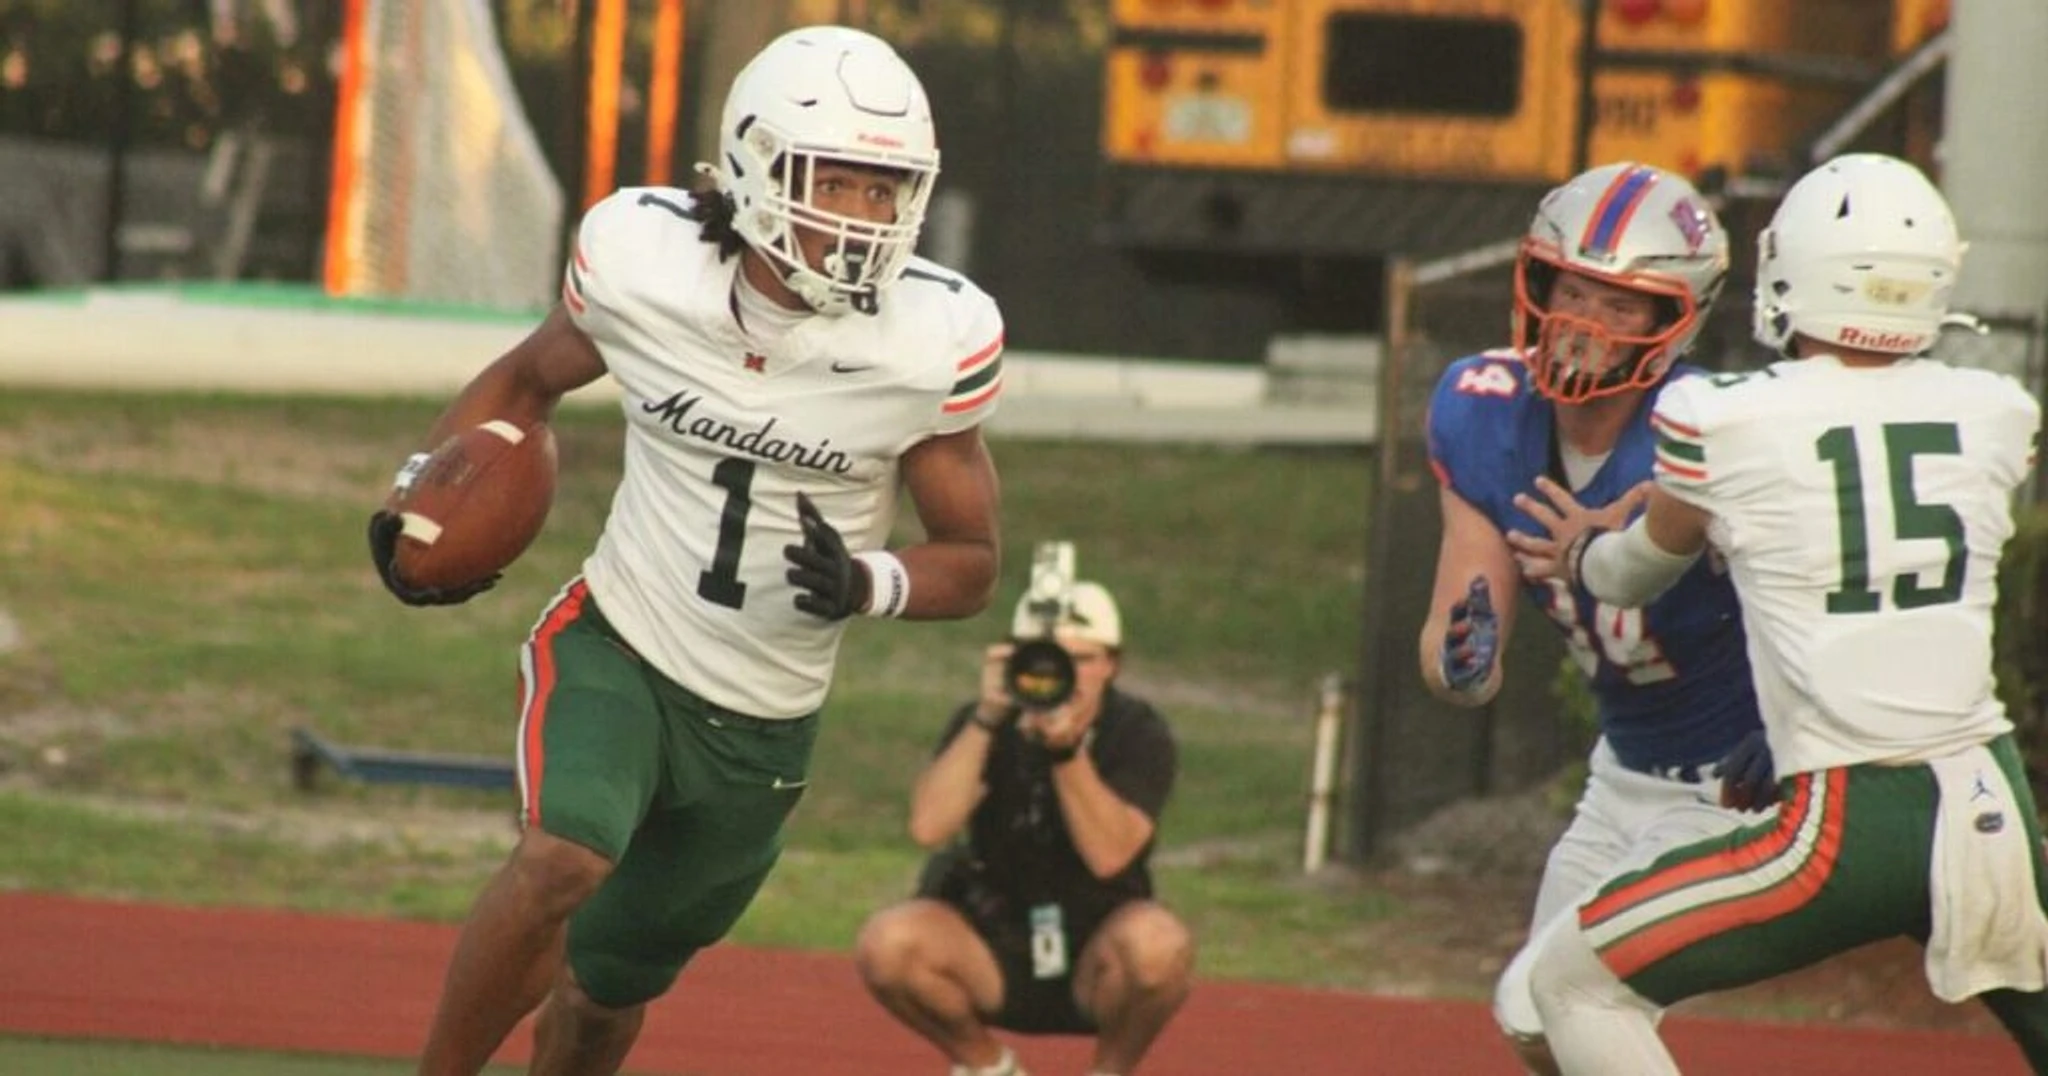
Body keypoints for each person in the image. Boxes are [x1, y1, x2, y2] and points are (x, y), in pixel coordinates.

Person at [366, 26, 1007, 1076]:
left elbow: (972, 558)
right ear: (756, 165)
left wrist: (866, 580)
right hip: (620, 640)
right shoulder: (648, 270)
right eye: (835, 182)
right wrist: (417, 500)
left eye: (883, 189)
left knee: (603, 999)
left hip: (762, 727)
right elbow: (526, 380)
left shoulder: (925, 344)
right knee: (560, 860)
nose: (861, 215)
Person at [1511, 153, 2048, 1074]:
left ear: (1785, 271)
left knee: (1568, 985)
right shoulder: (1998, 409)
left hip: (1843, 819)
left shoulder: (1723, 417)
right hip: (1988, 802)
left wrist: (1583, 554)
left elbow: (1634, 575)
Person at [1416, 161, 1777, 1074]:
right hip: (1623, 776)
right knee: (1533, 1018)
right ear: (1536, 283)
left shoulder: (1712, 429)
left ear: (1674, 320)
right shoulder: (1481, 409)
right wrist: (1462, 663)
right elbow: (1460, 624)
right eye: (1573, 291)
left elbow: (1815, 590)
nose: (1584, 322)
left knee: (1572, 995)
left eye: (1620, 305)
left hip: (1739, 784)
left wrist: (1797, 728)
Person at [854, 579, 1193, 1076]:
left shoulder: (1137, 731)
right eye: (1047, 660)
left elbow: (1110, 855)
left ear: (1111, 664)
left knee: (1159, 947)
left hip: (1097, 948)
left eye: (1081, 659)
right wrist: (987, 717)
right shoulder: (985, 722)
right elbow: (928, 827)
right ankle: (988, 1067)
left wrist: (1066, 752)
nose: (1063, 675)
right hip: (991, 938)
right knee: (888, 943)